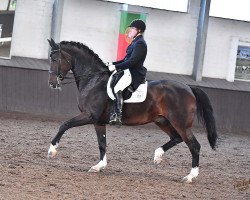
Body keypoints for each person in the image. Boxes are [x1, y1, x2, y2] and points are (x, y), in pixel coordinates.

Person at [106, 19, 147, 126]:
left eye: (133, 28)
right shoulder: (135, 42)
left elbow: (132, 61)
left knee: (117, 88)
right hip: (127, 70)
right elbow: (125, 59)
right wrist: (112, 63)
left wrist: (116, 67)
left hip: (134, 73)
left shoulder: (140, 43)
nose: (130, 30)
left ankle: (117, 115)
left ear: (139, 31)